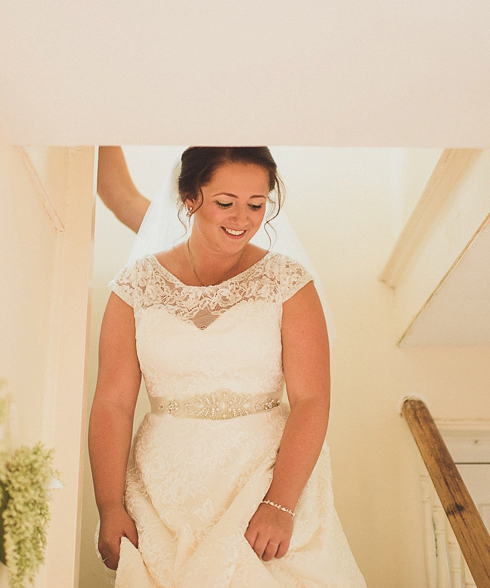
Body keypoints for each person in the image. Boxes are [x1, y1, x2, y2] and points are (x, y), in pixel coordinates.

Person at [89, 147, 365, 587]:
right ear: (189, 197)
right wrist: (109, 505)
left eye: (256, 205)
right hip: (162, 490)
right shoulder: (135, 285)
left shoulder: (288, 282)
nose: (242, 217)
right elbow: (112, 403)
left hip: (262, 479)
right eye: (225, 202)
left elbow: (312, 401)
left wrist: (280, 504)